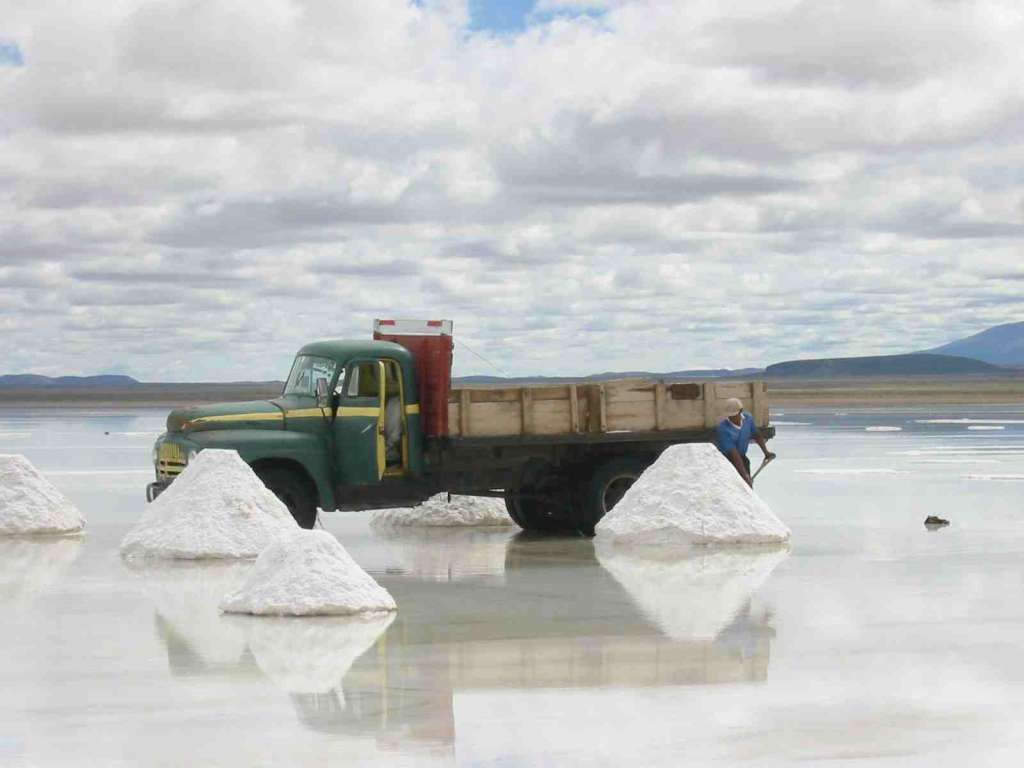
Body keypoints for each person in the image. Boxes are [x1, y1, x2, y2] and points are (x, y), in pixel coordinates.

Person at [715, 397, 775, 487]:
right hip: (727, 461)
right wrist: (745, 477)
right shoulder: (723, 429)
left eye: (735, 415)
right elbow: (734, 454)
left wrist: (766, 452)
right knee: (736, 486)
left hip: (742, 458)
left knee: (747, 487)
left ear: (741, 411)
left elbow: (756, 435)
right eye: (730, 416)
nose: (732, 418)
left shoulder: (748, 419)